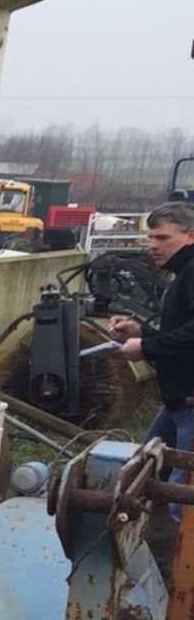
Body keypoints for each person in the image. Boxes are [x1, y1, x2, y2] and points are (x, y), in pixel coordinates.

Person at [113, 202, 194, 497]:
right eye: (150, 238)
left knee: (180, 502)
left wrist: (146, 347)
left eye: (162, 238)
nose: (152, 245)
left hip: (189, 404)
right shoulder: (183, 272)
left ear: (191, 236)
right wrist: (141, 332)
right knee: (140, 478)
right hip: (176, 402)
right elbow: (181, 336)